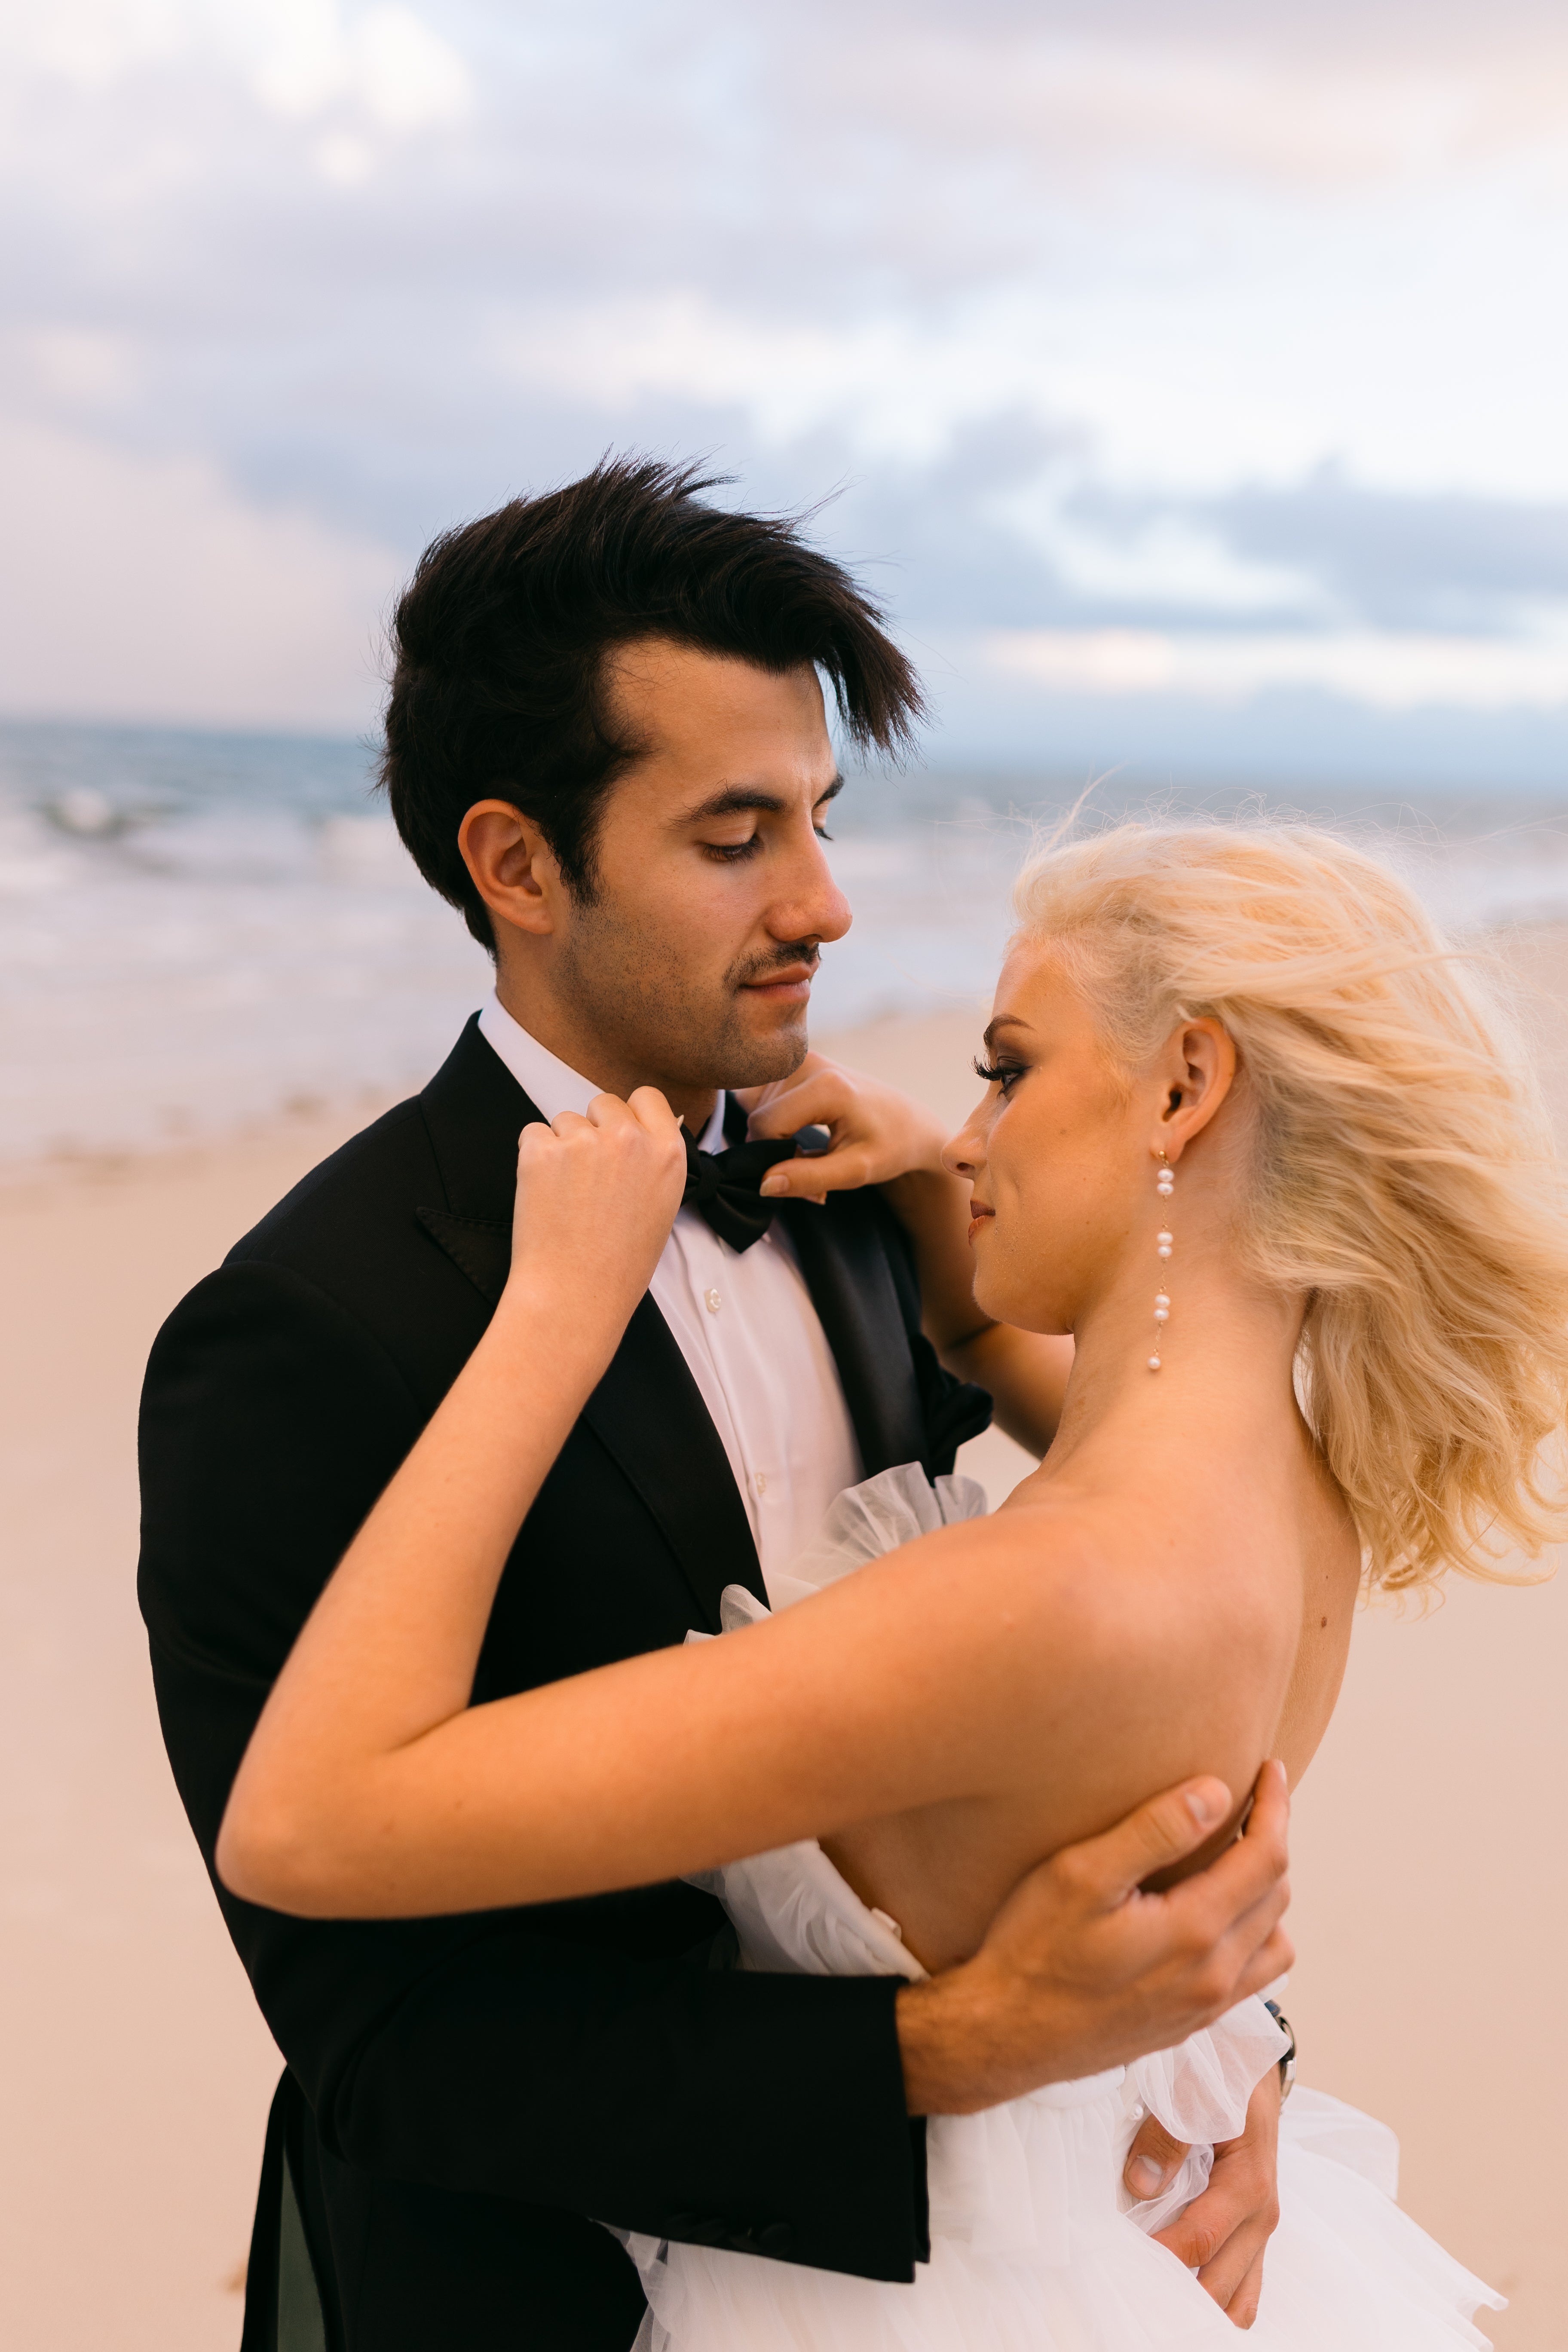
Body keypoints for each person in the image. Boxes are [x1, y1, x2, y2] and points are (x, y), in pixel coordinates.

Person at [138, 459, 1292, 2352]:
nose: (825, 905)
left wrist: (1214, 2067)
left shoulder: (878, 1201)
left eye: (821, 819)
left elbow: (1103, 1688)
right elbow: (382, 2042)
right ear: (518, 865)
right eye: (736, 835)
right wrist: (952, 2052)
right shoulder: (299, 1332)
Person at [217, 814, 1568, 2349]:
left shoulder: (1047, 1593)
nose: (968, 1128)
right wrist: (946, 1206)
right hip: (1113, 2247)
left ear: (1185, 1086)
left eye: (1006, 1068)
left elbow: (309, 1823)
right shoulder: (1302, 1498)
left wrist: (551, 1321)